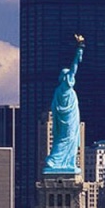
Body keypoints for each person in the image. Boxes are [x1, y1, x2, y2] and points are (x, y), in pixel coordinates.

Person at [43, 35, 85, 174]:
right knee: (67, 139)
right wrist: (79, 48)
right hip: (69, 120)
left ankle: (64, 161)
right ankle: (54, 160)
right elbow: (74, 67)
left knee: (63, 139)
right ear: (66, 78)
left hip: (63, 121)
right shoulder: (66, 88)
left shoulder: (58, 91)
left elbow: (54, 108)